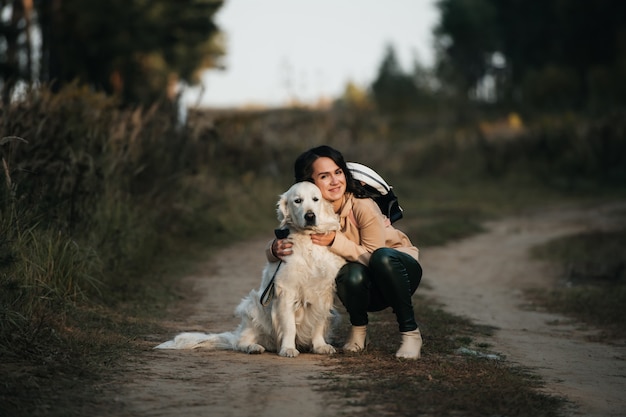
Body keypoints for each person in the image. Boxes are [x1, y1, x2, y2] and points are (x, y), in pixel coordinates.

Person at [267, 145, 423, 359]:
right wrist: (273, 250)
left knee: (380, 258)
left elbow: (374, 257)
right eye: (324, 176)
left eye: (338, 172)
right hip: (367, 281)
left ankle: (410, 333)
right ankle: (359, 331)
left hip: (398, 270)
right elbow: (290, 235)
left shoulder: (362, 206)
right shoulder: (310, 210)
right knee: (348, 273)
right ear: (309, 183)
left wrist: (335, 241)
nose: (335, 181)